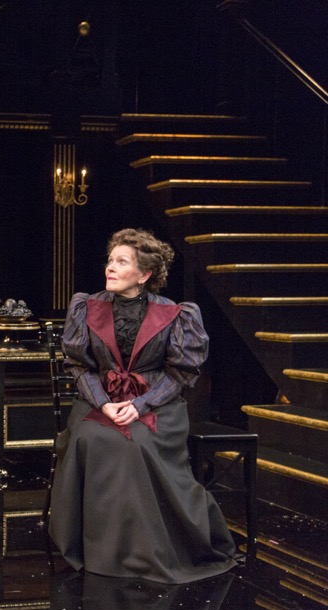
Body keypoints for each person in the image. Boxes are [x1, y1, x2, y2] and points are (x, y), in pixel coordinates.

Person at [48, 228, 239, 584]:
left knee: (134, 444)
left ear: (145, 274)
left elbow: (180, 372)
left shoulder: (175, 314)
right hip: (98, 399)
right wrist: (104, 403)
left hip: (158, 403)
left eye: (122, 262)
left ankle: (141, 551)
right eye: (110, 260)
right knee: (92, 439)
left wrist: (141, 404)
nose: (110, 267)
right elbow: (78, 366)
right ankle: (100, 549)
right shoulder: (87, 306)